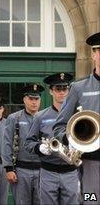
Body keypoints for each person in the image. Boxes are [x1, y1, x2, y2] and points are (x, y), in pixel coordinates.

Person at [54, 32, 100, 204]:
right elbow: (59, 126)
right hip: (91, 164)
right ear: (93, 54)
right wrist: (70, 140)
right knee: (91, 201)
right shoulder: (78, 88)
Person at [25, 72, 80, 205]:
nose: (62, 92)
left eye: (65, 88)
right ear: (51, 91)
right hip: (48, 171)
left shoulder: (79, 115)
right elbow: (28, 143)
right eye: (57, 89)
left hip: (71, 171)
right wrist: (39, 148)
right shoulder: (40, 116)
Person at [2, 83, 44, 205]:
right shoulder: (14, 118)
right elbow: (7, 143)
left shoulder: (45, 117)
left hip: (42, 169)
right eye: (31, 98)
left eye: (37, 99)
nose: (34, 102)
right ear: (24, 99)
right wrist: (8, 168)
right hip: (21, 170)